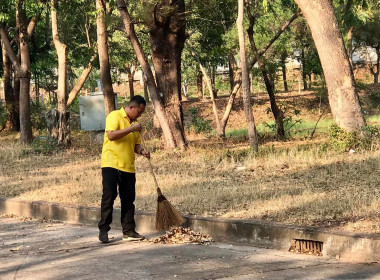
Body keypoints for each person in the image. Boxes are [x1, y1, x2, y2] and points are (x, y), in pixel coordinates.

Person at [98, 95, 150, 243]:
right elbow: (112, 135)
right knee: (109, 196)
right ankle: (103, 230)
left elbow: (136, 145)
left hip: (128, 166)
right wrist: (131, 128)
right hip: (111, 163)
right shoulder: (114, 115)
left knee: (128, 200)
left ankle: (128, 231)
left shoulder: (136, 124)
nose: (139, 116)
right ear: (131, 107)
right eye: (139, 112)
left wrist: (142, 151)